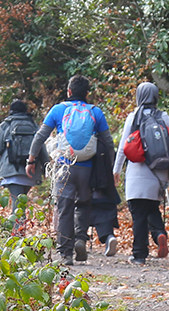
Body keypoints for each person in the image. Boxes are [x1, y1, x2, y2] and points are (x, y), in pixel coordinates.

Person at [27, 75, 113, 265]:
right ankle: (80, 239)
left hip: (64, 166)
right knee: (83, 204)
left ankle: (65, 253)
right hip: (87, 167)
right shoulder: (95, 112)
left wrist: (31, 159)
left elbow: (41, 136)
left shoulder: (58, 110)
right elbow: (108, 142)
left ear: (69, 92)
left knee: (64, 207)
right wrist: (111, 168)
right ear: (87, 94)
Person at [115, 82, 169, 265]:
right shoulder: (164, 117)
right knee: (152, 208)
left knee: (138, 214)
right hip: (158, 172)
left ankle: (139, 254)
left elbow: (123, 147)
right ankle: (159, 234)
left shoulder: (134, 117)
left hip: (136, 172)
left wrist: (116, 170)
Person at [0, 99, 40, 211]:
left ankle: (18, 227)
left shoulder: (6, 124)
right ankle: (20, 227)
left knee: (17, 203)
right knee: (21, 201)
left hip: (11, 171)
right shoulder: (33, 125)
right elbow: (41, 146)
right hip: (31, 171)